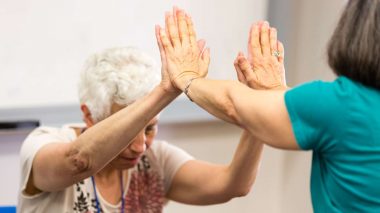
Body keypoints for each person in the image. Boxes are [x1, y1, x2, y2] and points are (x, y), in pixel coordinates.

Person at [157, 1, 380, 212]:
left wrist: (187, 79)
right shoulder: (339, 108)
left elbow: (232, 104)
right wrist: (273, 91)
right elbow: (306, 116)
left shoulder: (342, 104)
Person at [18, 44, 269, 212]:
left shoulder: (156, 160)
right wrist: (165, 91)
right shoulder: (43, 143)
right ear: (89, 115)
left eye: (149, 128)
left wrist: (259, 110)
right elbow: (78, 161)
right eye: (128, 132)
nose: (140, 146)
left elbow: (233, 184)